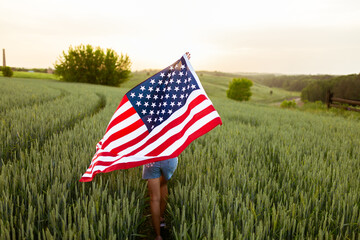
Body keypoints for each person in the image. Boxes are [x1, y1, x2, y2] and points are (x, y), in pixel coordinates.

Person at [142, 52, 191, 240]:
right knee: (164, 186)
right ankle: (162, 218)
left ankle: (157, 236)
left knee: (154, 197)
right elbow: (178, 89)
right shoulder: (174, 111)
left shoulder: (148, 114)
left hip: (152, 159)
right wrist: (183, 65)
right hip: (170, 157)